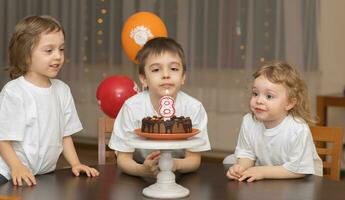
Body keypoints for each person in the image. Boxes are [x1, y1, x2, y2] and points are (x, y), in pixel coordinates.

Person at [0, 15, 99, 186]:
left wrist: (75, 163)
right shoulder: (14, 92)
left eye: (61, 49)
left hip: (43, 175)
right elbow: (3, 139)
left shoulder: (62, 90)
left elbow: (65, 136)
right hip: (9, 173)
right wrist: (17, 167)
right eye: (49, 50)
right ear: (26, 55)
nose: (58, 56)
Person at [108, 37, 211, 177]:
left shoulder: (194, 108)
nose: (166, 75)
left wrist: (174, 164)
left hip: (179, 176)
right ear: (144, 79)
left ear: (183, 77)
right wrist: (142, 170)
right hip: (139, 175)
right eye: (156, 69)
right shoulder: (132, 107)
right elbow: (123, 158)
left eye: (173, 68)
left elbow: (194, 159)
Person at [226, 62, 322, 182]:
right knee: (229, 161)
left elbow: (299, 170)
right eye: (255, 94)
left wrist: (261, 171)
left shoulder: (298, 128)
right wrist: (240, 169)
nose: (259, 100)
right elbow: (247, 154)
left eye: (269, 96)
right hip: (269, 180)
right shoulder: (248, 121)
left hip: (303, 182)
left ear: (289, 103)